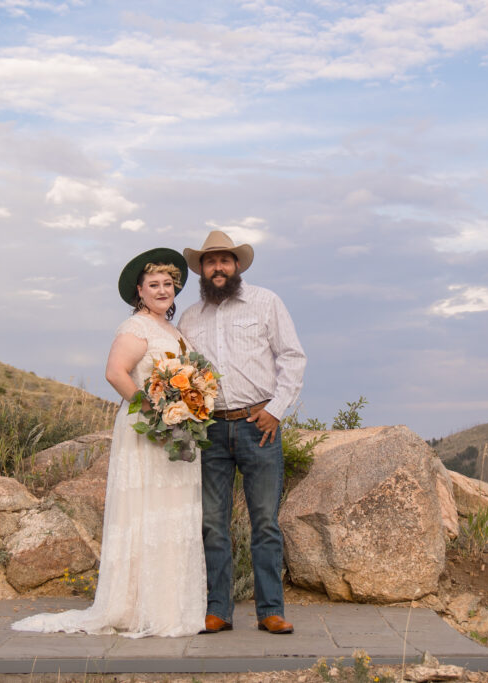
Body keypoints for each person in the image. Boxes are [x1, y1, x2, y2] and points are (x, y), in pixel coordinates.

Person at [10, 247, 205, 638]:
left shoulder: (175, 330)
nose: (163, 290)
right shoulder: (136, 328)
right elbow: (115, 373)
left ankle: (169, 606)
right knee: (145, 510)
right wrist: (153, 410)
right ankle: (134, 607)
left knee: (174, 511)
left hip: (176, 429)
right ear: (140, 291)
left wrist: (188, 406)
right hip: (146, 429)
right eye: (154, 284)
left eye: (168, 283)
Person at [178, 230, 306, 635]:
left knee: (264, 521)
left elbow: (292, 357)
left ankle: (270, 610)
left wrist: (276, 410)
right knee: (213, 523)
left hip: (259, 427)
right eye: (210, 261)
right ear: (201, 269)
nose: (218, 267)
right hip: (211, 430)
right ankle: (219, 609)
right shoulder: (190, 317)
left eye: (224, 260)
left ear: (236, 265)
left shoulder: (266, 302)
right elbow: (183, 375)